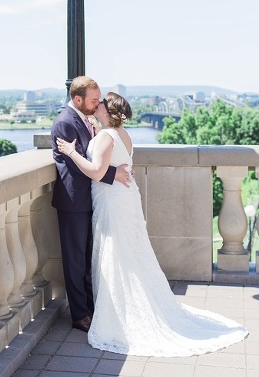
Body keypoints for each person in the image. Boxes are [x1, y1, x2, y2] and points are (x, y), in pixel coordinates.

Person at [56, 92, 247, 355]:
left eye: (101, 102)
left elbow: (96, 172)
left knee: (117, 257)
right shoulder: (123, 134)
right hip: (125, 197)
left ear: (108, 111)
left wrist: (70, 152)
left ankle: (119, 315)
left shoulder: (103, 136)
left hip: (112, 200)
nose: (96, 104)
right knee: (130, 255)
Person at [50, 76, 132, 333]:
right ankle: (80, 315)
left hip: (91, 198)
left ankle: (91, 308)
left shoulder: (86, 119)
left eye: (99, 101)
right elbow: (76, 164)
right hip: (74, 201)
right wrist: (113, 174)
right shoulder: (65, 122)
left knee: (88, 258)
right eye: (94, 100)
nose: (98, 104)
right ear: (78, 99)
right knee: (76, 259)